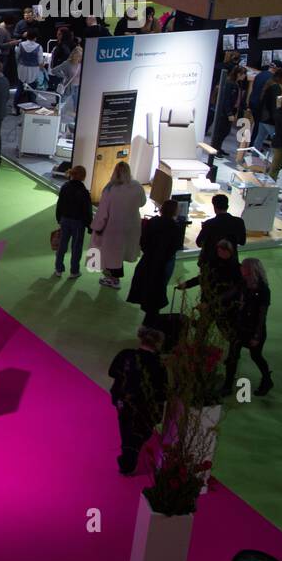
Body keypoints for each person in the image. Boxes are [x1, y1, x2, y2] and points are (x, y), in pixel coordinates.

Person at [108, 328, 167, 475]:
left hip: (124, 401)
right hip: (146, 406)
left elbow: (112, 372)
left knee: (126, 428)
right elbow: (162, 391)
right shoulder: (159, 364)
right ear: (158, 343)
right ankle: (129, 458)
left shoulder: (126, 355)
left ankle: (128, 459)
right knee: (138, 433)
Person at [127, 199, 185, 323]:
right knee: (159, 288)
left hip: (148, 259)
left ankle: (148, 314)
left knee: (147, 284)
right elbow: (175, 246)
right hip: (163, 263)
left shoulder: (153, 222)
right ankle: (150, 320)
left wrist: (149, 252)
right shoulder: (175, 227)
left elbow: (143, 240)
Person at [91, 161, 146, 289]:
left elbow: (103, 212)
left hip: (113, 228)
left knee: (111, 255)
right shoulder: (137, 186)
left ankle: (113, 279)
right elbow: (142, 203)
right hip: (132, 226)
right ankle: (114, 277)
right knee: (120, 253)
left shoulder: (110, 189)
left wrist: (97, 227)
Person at [228, 258, 273, 396]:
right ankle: (227, 385)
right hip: (240, 327)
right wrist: (213, 301)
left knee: (256, 356)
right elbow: (230, 294)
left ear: (250, 270)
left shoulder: (264, 290)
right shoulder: (243, 283)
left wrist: (256, 336)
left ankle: (267, 380)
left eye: (244, 267)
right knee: (232, 356)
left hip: (253, 329)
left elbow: (262, 316)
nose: (241, 269)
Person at [53, 165, 92, 278]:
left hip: (64, 220)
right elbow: (87, 211)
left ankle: (58, 269)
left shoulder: (65, 187)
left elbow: (59, 204)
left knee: (62, 245)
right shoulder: (84, 192)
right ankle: (74, 271)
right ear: (83, 177)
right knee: (76, 248)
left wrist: (59, 218)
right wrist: (89, 225)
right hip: (78, 223)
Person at [196, 194, 246, 268]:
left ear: (214, 207)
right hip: (231, 262)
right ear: (227, 206)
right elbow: (242, 242)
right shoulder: (239, 222)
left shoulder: (209, 223)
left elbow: (199, 243)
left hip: (211, 263)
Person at [210, 66, 249, 153]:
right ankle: (214, 150)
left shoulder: (236, 83)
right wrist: (229, 113)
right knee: (221, 132)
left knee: (225, 131)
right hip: (224, 112)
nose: (245, 76)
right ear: (239, 74)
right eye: (244, 74)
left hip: (231, 110)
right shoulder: (229, 83)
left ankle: (218, 148)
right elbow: (226, 99)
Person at [253, 67, 282, 152]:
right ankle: (274, 159)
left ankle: (254, 156)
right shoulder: (276, 87)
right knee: (276, 138)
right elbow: (275, 104)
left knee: (260, 137)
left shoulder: (271, 84)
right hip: (269, 118)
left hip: (264, 116)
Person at [13, 30, 45, 113]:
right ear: (35, 37)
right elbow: (40, 61)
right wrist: (42, 69)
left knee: (19, 88)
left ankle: (15, 108)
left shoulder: (21, 45)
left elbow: (17, 56)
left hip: (22, 68)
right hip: (33, 70)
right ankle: (32, 110)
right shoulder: (39, 47)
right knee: (32, 90)